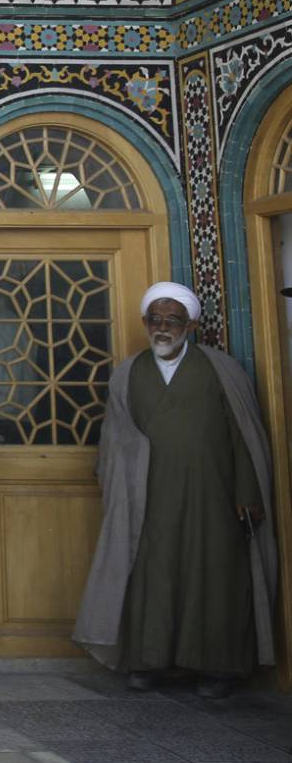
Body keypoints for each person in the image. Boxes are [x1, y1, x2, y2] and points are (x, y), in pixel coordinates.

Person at [74, 282, 277, 698]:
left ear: (191, 323)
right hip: (149, 497)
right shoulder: (130, 372)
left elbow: (245, 438)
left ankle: (218, 668)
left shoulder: (223, 370)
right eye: (155, 320)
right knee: (154, 577)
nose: (163, 328)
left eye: (172, 320)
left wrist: (248, 492)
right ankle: (150, 663)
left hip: (215, 497)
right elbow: (114, 439)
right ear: (145, 322)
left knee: (214, 578)